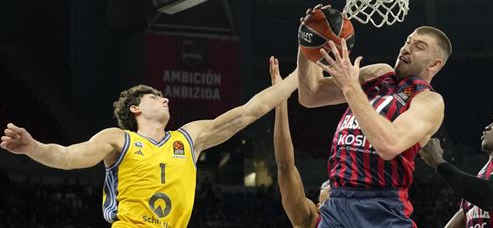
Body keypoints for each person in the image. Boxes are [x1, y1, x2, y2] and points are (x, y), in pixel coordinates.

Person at [1, 57, 297, 228]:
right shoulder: (118, 139)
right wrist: (33, 147)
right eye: (156, 97)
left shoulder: (189, 137)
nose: (165, 98)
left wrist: (301, 70)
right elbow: (68, 156)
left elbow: (249, 112)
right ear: (135, 108)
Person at [298, 5, 452, 227]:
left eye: (419, 47)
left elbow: (388, 145)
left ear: (435, 63)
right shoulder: (379, 74)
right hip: (337, 202)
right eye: (407, 41)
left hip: (381, 208)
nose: (407, 48)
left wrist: (351, 88)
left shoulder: (428, 101)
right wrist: (308, 42)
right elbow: (310, 95)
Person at [270, 56, 328, 228]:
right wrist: (280, 101)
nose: (334, 189)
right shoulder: (310, 219)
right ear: (318, 206)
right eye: (329, 187)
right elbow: (286, 167)